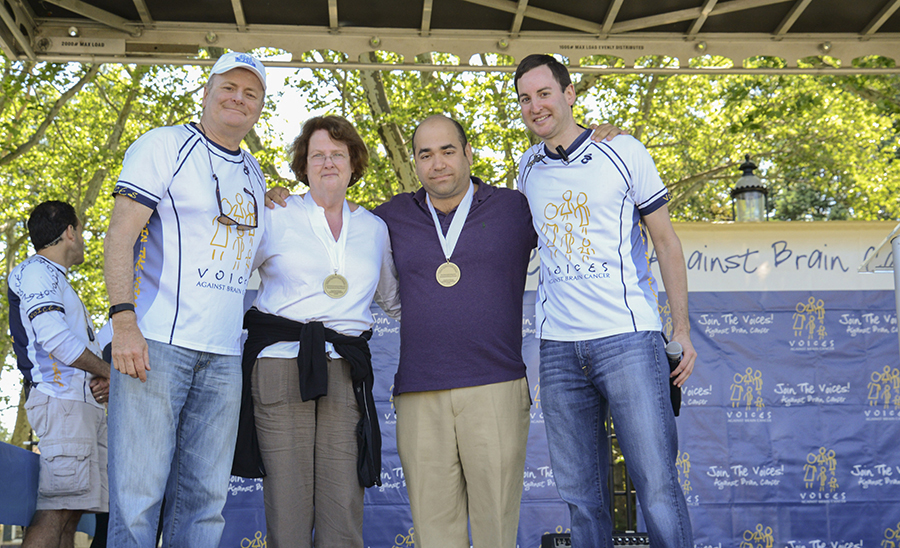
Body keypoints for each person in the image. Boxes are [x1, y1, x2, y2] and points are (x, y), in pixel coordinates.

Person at [513, 54, 697, 547]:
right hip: (557, 350)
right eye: (525, 99)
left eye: (544, 93)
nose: (536, 106)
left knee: (657, 487)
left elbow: (666, 242)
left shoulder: (624, 150)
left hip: (628, 341)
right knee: (581, 498)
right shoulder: (526, 167)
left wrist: (680, 329)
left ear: (569, 94)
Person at [102, 51, 268, 547]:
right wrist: (123, 323)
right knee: (137, 500)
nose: (238, 98)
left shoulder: (256, 174)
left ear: (260, 107)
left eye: (251, 92)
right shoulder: (165, 144)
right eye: (228, 87)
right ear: (207, 90)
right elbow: (119, 236)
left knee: (204, 505)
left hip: (222, 357)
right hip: (155, 347)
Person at [233, 115, 400, 548]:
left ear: (354, 163)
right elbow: (228, 275)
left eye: (337, 155)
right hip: (279, 368)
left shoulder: (374, 229)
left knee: (343, 504)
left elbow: (395, 301)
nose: (328, 162)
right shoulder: (276, 214)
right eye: (318, 155)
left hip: (344, 371)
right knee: (288, 509)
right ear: (303, 166)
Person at [372, 115, 536, 548]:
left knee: (495, 530)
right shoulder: (389, 218)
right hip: (420, 392)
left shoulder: (515, 207)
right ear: (414, 163)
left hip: (496, 387)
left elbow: (581, 203)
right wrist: (280, 198)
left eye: (447, 150)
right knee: (433, 531)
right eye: (426, 154)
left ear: (467, 153)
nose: (438, 163)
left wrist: (593, 138)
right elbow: (327, 220)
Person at [8, 200, 110, 548]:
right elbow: (54, 340)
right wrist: (109, 373)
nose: (82, 239)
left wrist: (100, 379)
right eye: (79, 231)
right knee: (56, 509)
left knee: (70, 514)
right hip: (61, 403)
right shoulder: (37, 272)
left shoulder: (54, 279)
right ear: (69, 231)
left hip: (76, 405)